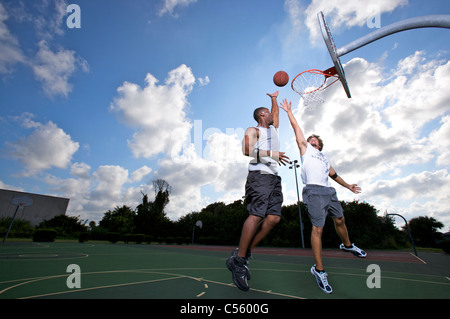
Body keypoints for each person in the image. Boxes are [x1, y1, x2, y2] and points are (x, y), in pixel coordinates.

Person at [280, 98, 367, 294]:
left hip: (329, 192)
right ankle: (318, 270)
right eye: (310, 139)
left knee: (340, 219)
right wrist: (288, 112)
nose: (311, 140)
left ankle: (347, 245)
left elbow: (334, 175)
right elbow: (297, 130)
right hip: (313, 191)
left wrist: (349, 186)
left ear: (319, 144)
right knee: (318, 230)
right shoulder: (305, 150)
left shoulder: (324, 158)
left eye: (315, 140)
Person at [226, 91, 290, 291]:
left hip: (273, 177)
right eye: (269, 112)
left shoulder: (274, 129)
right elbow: (246, 150)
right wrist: (272, 153)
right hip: (259, 176)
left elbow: (277, 114)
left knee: (273, 219)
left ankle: (243, 253)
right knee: (256, 214)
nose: (272, 115)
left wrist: (273, 99)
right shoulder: (253, 130)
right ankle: (239, 261)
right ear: (262, 115)